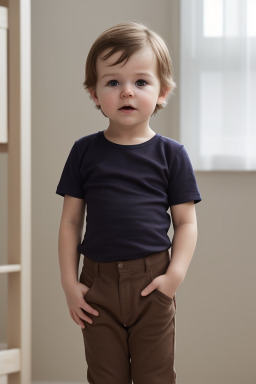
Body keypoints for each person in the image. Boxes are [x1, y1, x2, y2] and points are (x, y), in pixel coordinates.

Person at [56, 21, 201, 384]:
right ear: (94, 93)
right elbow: (71, 222)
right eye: (113, 82)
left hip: (152, 282)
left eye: (140, 82)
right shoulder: (84, 152)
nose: (126, 93)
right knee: (105, 376)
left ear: (162, 91)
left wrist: (174, 277)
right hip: (97, 284)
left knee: (155, 376)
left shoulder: (172, 155)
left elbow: (186, 222)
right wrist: (70, 284)